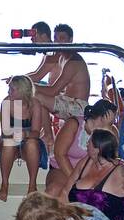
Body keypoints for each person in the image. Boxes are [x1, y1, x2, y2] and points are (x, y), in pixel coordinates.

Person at [55, 128, 124, 220]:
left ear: (97, 149)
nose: (86, 144)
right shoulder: (85, 163)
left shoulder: (122, 172)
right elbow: (64, 193)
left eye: (89, 141)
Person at [33, 23, 91, 178]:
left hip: (78, 107)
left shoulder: (74, 61)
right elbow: (39, 76)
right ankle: (46, 132)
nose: (58, 42)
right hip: (66, 101)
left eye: (63, 38)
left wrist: (29, 87)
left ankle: (48, 136)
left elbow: (53, 90)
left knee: (37, 96)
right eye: (56, 38)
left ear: (71, 40)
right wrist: (20, 80)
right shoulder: (60, 57)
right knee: (37, 96)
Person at [43, 98, 120, 195]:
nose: (112, 124)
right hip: (62, 169)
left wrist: (106, 129)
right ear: (101, 117)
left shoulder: (112, 131)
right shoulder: (74, 123)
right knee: (54, 189)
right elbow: (59, 154)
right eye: (110, 121)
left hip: (93, 172)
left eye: (112, 122)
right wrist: (76, 180)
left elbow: (112, 158)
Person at [0, 74, 47, 202]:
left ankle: (32, 185)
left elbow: (36, 131)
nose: (9, 91)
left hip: (28, 141)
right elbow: (5, 131)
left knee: (31, 144)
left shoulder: (35, 104)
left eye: (12, 89)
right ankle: (5, 184)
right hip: (11, 140)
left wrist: (25, 135)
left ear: (22, 90)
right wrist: (16, 135)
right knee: (8, 143)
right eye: (9, 89)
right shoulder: (7, 102)